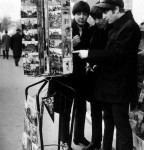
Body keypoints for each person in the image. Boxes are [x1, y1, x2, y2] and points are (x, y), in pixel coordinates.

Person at [78, 0, 142, 150]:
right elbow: (112, 55)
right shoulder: (118, 26)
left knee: (121, 126)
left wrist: (89, 54)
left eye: (106, 12)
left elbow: (116, 54)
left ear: (117, 9)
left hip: (119, 87)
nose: (104, 16)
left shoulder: (130, 27)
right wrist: (97, 64)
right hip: (110, 85)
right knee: (108, 122)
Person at [47, 1, 91, 150]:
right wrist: (70, 44)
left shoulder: (89, 29)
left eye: (85, 14)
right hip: (66, 78)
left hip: (82, 77)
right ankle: (64, 142)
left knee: (81, 108)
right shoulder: (65, 27)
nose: (82, 17)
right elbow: (53, 52)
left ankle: (78, 136)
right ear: (74, 14)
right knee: (66, 111)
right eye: (79, 14)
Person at [82, 3, 112, 150]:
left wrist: (97, 65)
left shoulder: (111, 31)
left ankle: (106, 145)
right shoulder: (92, 30)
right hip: (92, 78)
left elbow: (110, 55)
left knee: (107, 114)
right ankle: (95, 141)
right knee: (94, 112)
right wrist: (89, 64)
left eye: (99, 17)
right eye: (94, 18)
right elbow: (85, 49)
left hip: (105, 77)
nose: (97, 21)